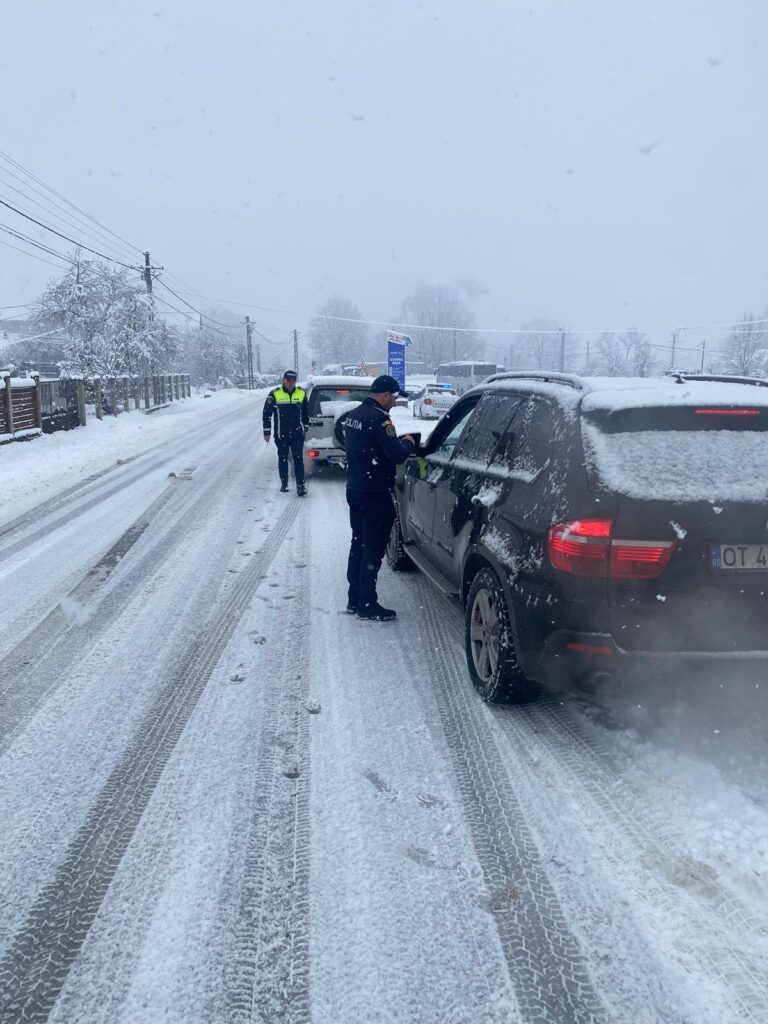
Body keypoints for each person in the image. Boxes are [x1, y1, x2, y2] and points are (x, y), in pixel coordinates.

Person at [338, 374, 416, 621]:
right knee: (372, 549)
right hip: (375, 493)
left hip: (356, 489)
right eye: (393, 397)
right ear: (384, 395)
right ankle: (367, 603)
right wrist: (408, 443)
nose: (394, 401)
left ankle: (354, 598)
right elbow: (396, 456)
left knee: (358, 544)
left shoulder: (354, 416)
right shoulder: (381, 421)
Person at [262, 370, 309, 496]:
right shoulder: (274, 394)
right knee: (283, 459)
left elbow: (305, 413)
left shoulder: (301, 393)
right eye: (289, 381)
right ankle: (284, 483)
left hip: (297, 434)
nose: (291, 383)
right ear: (284, 380)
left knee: (298, 459)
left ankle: (301, 486)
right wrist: (267, 432)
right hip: (280, 433)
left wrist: (306, 428)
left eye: (293, 381)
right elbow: (266, 413)